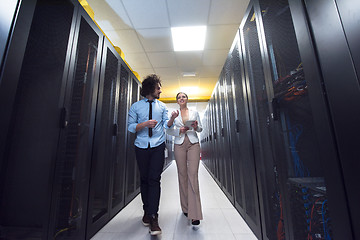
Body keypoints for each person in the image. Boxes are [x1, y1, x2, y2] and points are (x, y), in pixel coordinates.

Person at [127, 74, 178, 235]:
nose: (160, 90)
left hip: (157, 145)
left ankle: (154, 217)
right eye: (158, 87)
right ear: (150, 89)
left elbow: (167, 126)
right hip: (141, 146)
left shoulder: (162, 107)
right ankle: (146, 211)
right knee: (144, 178)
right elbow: (130, 127)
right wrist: (144, 124)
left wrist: (171, 120)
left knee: (154, 179)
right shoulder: (136, 106)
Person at [166, 92, 203, 225]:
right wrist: (178, 130)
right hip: (179, 145)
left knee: (192, 175)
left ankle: (195, 214)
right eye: (179, 97)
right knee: (182, 175)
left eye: (184, 97)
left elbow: (200, 129)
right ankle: (186, 207)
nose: (181, 99)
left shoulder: (194, 112)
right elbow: (169, 130)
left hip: (193, 143)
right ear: (177, 101)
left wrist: (195, 126)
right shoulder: (174, 114)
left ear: (187, 99)